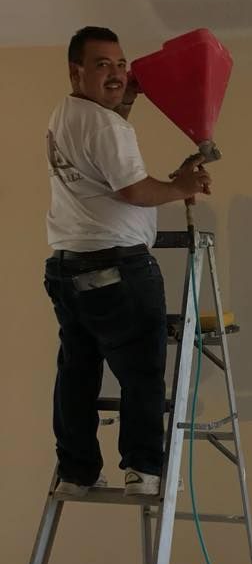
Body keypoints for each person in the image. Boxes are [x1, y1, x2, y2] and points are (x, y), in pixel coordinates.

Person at [45, 26, 211, 498]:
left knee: (78, 373)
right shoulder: (107, 126)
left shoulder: (68, 112)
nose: (118, 74)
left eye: (121, 65)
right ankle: (143, 467)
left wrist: (126, 98)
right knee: (141, 369)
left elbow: (103, 158)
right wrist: (183, 186)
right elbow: (134, 190)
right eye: (103, 66)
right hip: (117, 269)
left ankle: (76, 471)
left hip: (67, 268)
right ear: (77, 72)